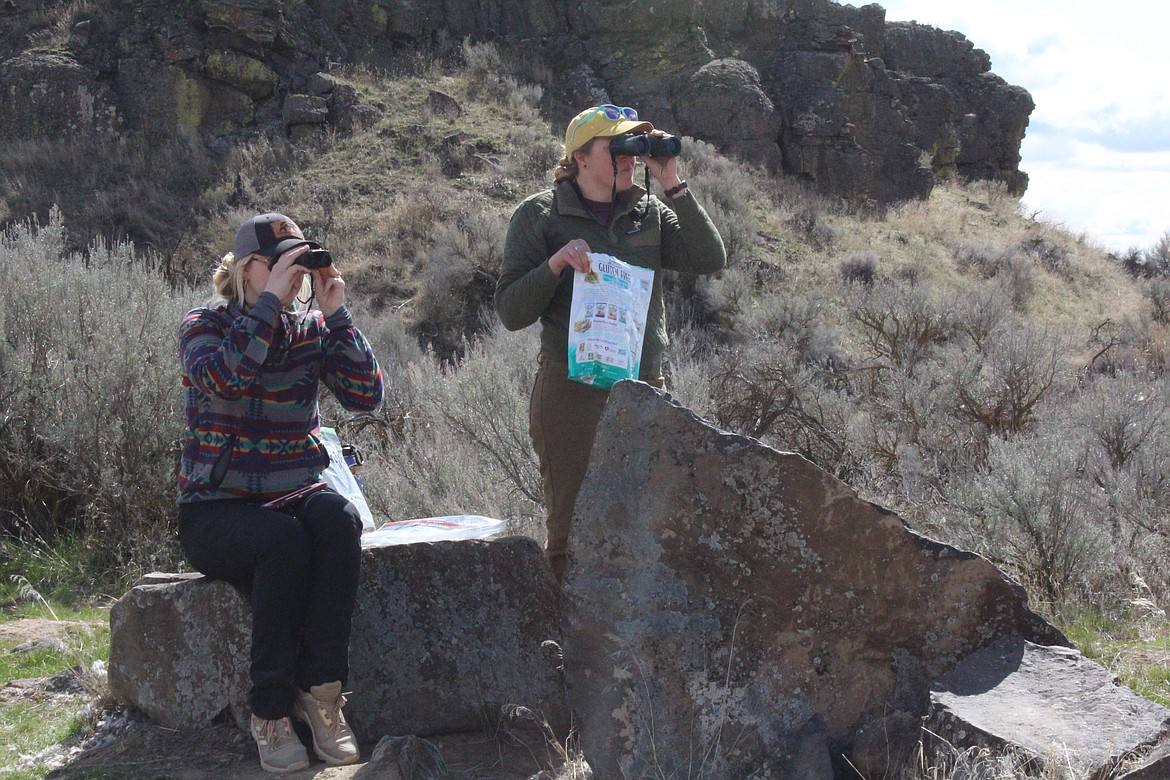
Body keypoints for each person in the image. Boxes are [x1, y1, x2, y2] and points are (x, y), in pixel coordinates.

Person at [177, 213, 383, 773]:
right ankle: (268, 711)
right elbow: (225, 377)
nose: (295, 276)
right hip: (214, 509)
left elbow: (367, 396)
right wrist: (268, 305)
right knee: (282, 542)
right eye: (282, 263)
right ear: (248, 269)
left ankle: (322, 698)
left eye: (301, 262)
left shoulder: (309, 328)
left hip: (292, 491)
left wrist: (337, 315)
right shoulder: (204, 326)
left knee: (339, 519)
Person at [495, 104, 727, 581]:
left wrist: (672, 181)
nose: (630, 158)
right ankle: (568, 645)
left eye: (635, 147)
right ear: (581, 156)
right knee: (572, 527)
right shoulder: (541, 215)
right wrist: (556, 263)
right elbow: (511, 311)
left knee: (649, 521)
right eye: (618, 147)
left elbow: (709, 257)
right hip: (571, 391)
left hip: (644, 386)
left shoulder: (649, 212)